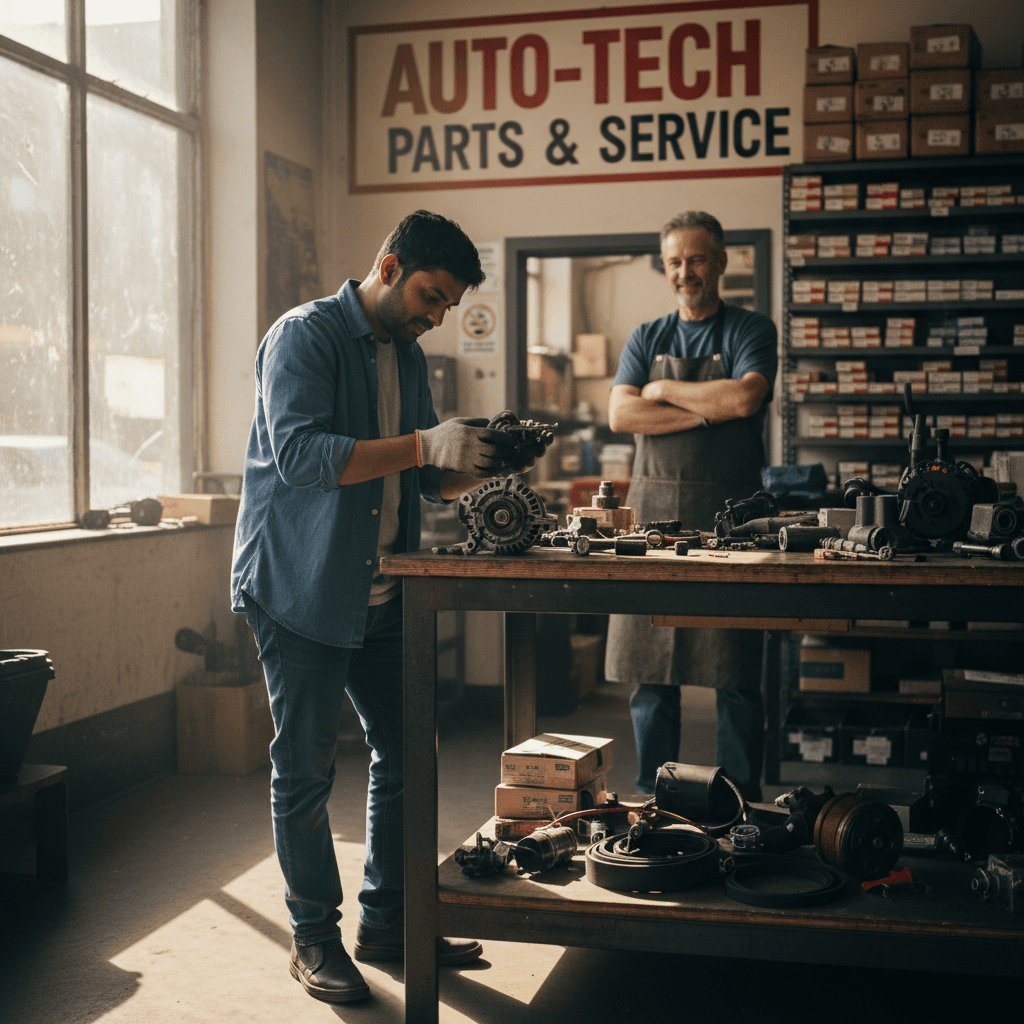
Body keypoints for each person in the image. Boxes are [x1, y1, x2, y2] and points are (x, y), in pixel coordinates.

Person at [231, 211, 525, 1004]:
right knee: (305, 771)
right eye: (432, 296)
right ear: (390, 268)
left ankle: (389, 920)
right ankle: (313, 939)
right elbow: (301, 457)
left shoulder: (409, 353)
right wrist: (428, 445)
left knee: (407, 750)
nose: (437, 315)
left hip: (382, 587)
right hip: (303, 588)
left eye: (448, 304)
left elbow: (427, 477)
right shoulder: (305, 338)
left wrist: (485, 459)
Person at [603, 211, 778, 802]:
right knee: (652, 675)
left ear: (721, 261)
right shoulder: (647, 336)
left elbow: (746, 395)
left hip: (735, 521)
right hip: (652, 524)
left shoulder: (749, 329)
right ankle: (657, 797)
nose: (686, 272)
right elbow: (621, 415)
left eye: (697, 259)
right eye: (675, 261)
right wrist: (706, 412)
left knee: (736, 673)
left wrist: (661, 391)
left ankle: (743, 800)